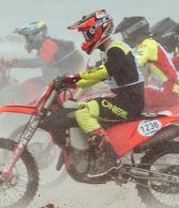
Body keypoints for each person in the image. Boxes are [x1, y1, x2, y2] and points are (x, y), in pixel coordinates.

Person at [61, 10, 145, 162]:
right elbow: (95, 77)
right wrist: (72, 83)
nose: (86, 38)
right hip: (125, 100)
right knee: (82, 105)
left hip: (129, 103)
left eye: (87, 34)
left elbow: (103, 72)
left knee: (83, 112)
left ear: (98, 30)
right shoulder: (109, 50)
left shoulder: (116, 49)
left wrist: (74, 79)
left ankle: (109, 155)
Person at [116, 15, 179, 94]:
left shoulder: (148, 44)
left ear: (134, 31)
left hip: (168, 90)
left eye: (125, 34)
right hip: (165, 88)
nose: (124, 38)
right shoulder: (142, 45)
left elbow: (135, 63)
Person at [3, 21, 81, 82]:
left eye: (28, 38)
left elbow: (39, 62)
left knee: (27, 86)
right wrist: (15, 63)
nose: (27, 41)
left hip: (59, 81)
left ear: (36, 36)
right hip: (56, 79)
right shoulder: (44, 46)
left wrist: (16, 62)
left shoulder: (49, 44)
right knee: (27, 84)